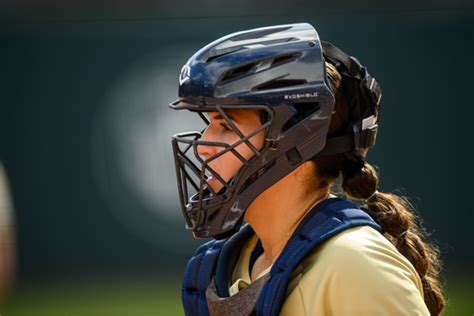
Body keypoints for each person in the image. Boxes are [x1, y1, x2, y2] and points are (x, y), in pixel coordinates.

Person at [169, 23, 445, 315]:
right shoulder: (227, 266)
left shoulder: (356, 263)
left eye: (226, 125)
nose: (203, 146)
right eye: (209, 123)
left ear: (294, 136)